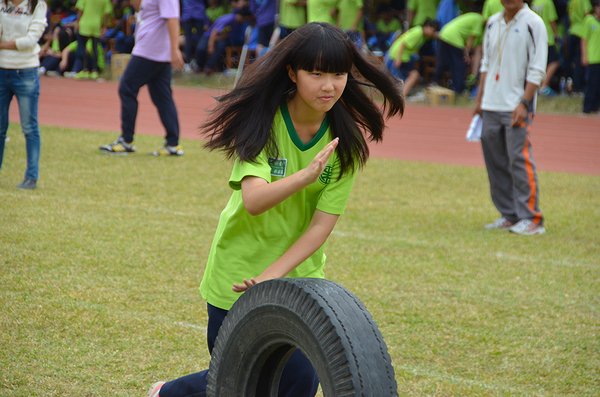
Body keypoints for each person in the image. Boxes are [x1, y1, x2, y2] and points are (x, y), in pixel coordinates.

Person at [146, 22, 404, 397]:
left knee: (299, 380)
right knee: (237, 384)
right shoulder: (263, 121)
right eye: (316, 74)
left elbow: (320, 228)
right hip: (237, 273)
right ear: (292, 73)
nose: (329, 85)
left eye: (339, 74)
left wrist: (272, 277)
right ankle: (168, 393)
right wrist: (306, 175)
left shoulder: (345, 143)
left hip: (298, 281)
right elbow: (253, 200)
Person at [474, 0, 548, 235]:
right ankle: (509, 213)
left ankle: (531, 218)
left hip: (516, 105)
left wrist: (524, 103)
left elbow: (537, 67)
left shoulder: (533, 23)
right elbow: (486, 63)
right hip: (490, 104)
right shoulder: (492, 22)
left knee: (518, 158)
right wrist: (479, 101)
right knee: (495, 161)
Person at [99, 0, 185, 156]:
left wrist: (174, 49)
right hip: (155, 51)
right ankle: (173, 145)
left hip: (150, 51)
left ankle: (126, 141)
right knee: (162, 96)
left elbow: (172, 18)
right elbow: (141, 9)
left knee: (127, 88)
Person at [0, 0, 47, 189]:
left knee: (29, 127)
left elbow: (30, 41)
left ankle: (31, 176)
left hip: (25, 70)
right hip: (2, 70)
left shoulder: (37, 5)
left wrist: (2, 45)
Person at [385, 19, 440, 97]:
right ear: (427, 26)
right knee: (414, 75)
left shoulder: (424, 35)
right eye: (432, 30)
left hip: (405, 56)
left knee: (406, 77)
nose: (432, 33)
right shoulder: (418, 33)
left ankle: (401, 95)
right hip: (400, 55)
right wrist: (398, 59)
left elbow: (435, 35)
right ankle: (402, 96)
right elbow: (403, 43)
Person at [434, 12, 485, 93]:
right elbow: (471, 37)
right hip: (454, 37)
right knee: (460, 64)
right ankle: (458, 89)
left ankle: (435, 82)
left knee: (443, 61)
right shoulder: (480, 19)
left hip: (444, 33)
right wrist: (466, 53)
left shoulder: (471, 16)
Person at [73, 0, 113, 80]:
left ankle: (85, 70)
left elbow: (80, 9)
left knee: (82, 47)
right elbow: (107, 13)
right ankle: (94, 71)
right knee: (95, 48)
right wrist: (104, 26)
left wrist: (77, 22)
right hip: (96, 24)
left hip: (85, 23)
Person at [532, 0, 562, 96]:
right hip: (547, 37)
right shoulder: (548, 2)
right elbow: (552, 20)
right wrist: (556, 35)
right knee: (555, 62)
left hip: (536, 37)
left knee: (541, 63)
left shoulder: (534, 2)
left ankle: (538, 86)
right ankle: (543, 87)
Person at [567, 0, 592, 93]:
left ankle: (570, 82)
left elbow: (569, 16)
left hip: (572, 30)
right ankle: (578, 86)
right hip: (581, 32)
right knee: (579, 61)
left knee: (571, 60)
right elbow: (587, 14)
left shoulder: (572, 1)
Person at [581, 0, 600, 114]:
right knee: (591, 84)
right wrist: (584, 55)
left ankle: (596, 107)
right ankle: (587, 108)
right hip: (592, 58)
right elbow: (584, 39)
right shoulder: (589, 20)